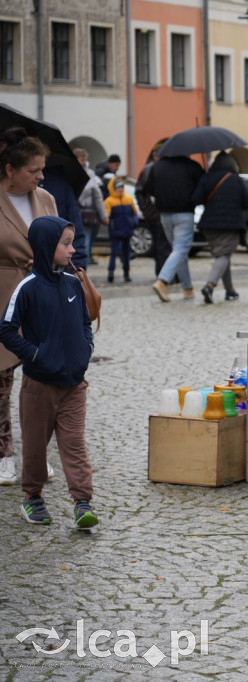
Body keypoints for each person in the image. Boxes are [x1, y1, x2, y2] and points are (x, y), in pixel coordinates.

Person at [0, 216, 97, 527]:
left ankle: (82, 502)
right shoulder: (27, 288)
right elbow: (6, 328)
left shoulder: (73, 283)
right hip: (39, 385)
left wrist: (86, 349)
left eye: (72, 243)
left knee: (75, 445)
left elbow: (85, 321)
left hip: (74, 385)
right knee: (35, 446)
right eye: (65, 244)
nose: (72, 250)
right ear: (45, 246)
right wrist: (36, 354)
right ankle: (33, 498)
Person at [0, 128, 58, 487]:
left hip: (42, 295)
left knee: (43, 383)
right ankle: (3, 454)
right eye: (33, 170)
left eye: (42, 169)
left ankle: (35, 457)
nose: (40, 176)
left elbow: (62, 240)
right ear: (9, 169)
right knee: (2, 383)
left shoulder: (46, 198)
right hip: (2, 294)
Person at [191, 152, 248, 304]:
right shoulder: (236, 179)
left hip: (209, 226)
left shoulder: (207, 178)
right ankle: (210, 286)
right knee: (223, 256)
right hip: (230, 225)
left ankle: (230, 290)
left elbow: (196, 199)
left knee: (223, 257)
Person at [143, 153, 203, 302]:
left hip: (164, 214)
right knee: (180, 249)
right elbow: (202, 188)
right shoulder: (192, 167)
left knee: (177, 250)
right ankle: (162, 281)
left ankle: (188, 289)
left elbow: (148, 188)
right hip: (185, 213)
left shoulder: (157, 167)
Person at [136, 145, 171, 278]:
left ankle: (164, 274)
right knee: (161, 246)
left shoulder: (157, 168)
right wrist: (150, 212)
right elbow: (140, 193)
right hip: (156, 215)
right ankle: (163, 275)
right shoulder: (150, 169)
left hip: (159, 213)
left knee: (163, 246)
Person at [74, 148, 107, 265]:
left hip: (87, 214)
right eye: (82, 159)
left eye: (85, 159)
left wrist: (103, 215)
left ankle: (83, 268)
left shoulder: (90, 174)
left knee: (86, 242)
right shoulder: (70, 172)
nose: (84, 162)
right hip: (73, 213)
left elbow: (97, 196)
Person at [103, 177, 138, 283]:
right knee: (114, 253)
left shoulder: (128, 199)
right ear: (113, 188)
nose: (120, 189)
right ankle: (111, 272)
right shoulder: (109, 201)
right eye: (118, 187)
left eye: (121, 187)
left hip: (127, 230)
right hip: (115, 231)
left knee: (126, 254)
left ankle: (126, 273)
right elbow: (107, 215)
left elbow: (134, 213)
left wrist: (134, 223)